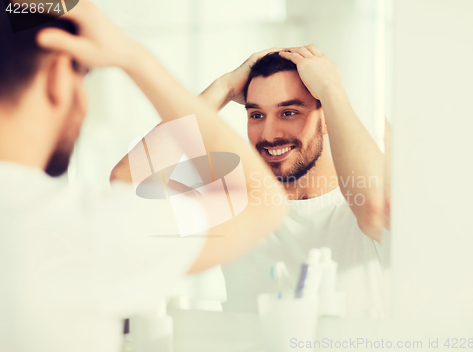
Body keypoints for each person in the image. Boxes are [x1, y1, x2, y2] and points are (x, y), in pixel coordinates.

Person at [0, 2, 287, 351]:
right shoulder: (75, 229)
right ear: (60, 74)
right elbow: (263, 201)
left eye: (289, 112)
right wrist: (133, 58)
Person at [114, 47, 392, 318]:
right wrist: (224, 88)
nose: (269, 134)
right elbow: (128, 182)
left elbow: (375, 209)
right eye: (256, 115)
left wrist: (332, 91)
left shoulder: (357, 197)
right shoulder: (237, 191)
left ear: (327, 116)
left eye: (289, 112)